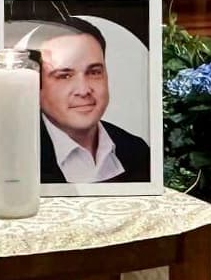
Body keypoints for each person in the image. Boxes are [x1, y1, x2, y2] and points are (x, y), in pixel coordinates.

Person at [35, 17, 150, 184]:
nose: (83, 90)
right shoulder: (19, 157)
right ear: (35, 83)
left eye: (94, 72)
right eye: (64, 75)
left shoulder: (136, 150)